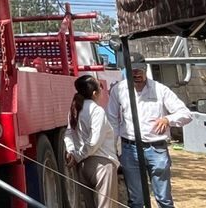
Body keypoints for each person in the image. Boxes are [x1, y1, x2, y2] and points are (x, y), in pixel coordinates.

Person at [106, 52, 192, 208]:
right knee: (136, 199)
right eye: (132, 71)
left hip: (156, 149)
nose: (136, 74)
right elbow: (112, 120)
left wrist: (168, 119)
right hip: (129, 148)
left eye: (139, 70)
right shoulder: (118, 90)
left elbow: (186, 114)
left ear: (145, 69)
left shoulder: (160, 90)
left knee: (164, 199)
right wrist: (116, 147)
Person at [63, 74, 118, 208]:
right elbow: (94, 142)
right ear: (94, 93)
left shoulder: (75, 110)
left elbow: (68, 133)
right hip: (102, 163)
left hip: (82, 166)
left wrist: (71, 152)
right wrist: (77, 155)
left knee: (89, 204)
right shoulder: (97, 111)